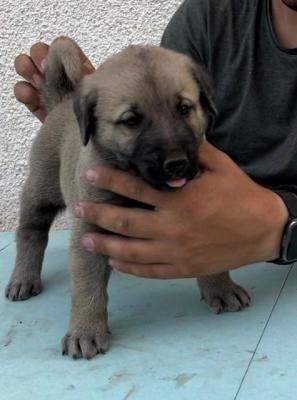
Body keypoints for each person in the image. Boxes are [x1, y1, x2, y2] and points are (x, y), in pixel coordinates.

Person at [12, 0, 297, 279]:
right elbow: (152, 91)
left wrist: (278, 229)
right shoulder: (210, 16)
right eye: (133, 121)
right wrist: (104, 113)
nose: (171, 146)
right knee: (37, 210)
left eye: (184, 110)